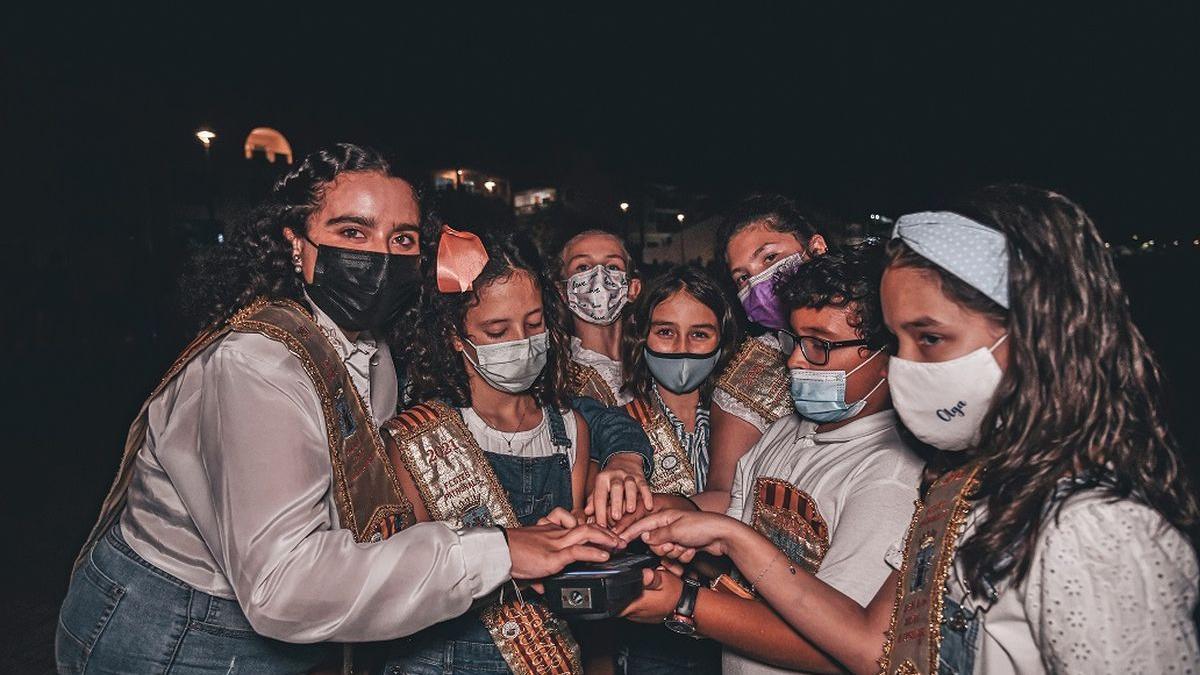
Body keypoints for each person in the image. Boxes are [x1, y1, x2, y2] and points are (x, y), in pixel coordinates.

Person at [56, 144, 622, 674]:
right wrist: (499, 551)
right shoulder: (257, 366)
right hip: (181, 628)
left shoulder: (368, 348)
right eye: (352, 230)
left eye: (401, 239)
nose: (378, 254)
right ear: (295, 242)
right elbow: (284, 585)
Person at [624, 185, 1200, 674]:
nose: (902, 369)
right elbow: (879, 642)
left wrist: (689, 602)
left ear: (1039, 330)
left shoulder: (1097, 530)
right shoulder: (958, 486)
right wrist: (727, 537)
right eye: (898, 342)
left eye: (929, 340)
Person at [620, 242, 923, 675]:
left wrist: (686, 604)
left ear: (887, 356)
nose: (797, 358)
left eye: (820, 345)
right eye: (794, 339)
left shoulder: (890, 475)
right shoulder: (784, 432)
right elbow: (738, 554)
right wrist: (674, 525)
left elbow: (844, 647)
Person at [383, 229, 618, 675]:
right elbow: (406, 577)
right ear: (456, 336)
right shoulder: (418, 435)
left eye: (534, 325)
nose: (521, 342)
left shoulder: (569, 429)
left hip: (550, 654)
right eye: (497, 330)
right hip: (442, 658)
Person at [612, 265, 742, 675]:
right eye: (666, 332)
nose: (682, 347)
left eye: (700, 334)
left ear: (723, 341)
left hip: (743, 618)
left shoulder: (749, 423)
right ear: (642, 335)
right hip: (655, 632)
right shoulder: (618, 426)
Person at [706, 195, 830, 512]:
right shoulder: (747, 380)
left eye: (770, 258)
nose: (759, 280)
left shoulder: (878, 332)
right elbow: (726, 495)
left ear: (816, 249)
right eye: (743, 277)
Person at [556, 229, 643, 408]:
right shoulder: (560, 378)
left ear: (633, 288)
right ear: (562, 291)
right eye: (583, 267)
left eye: (612, 266)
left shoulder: (649, 367)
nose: (599, 275)